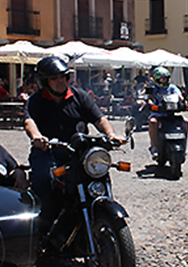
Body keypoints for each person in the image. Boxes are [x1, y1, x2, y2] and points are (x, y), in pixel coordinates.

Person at [23, 56, 126, 226]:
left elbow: (99, 119)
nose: (60, 81)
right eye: (54, 78)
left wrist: (111, 134)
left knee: (98, 174)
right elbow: (29, 122)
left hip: (79, 152)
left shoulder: (80, 96)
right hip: (49, 152)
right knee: (43, 177)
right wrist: (37, 137)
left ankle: (101, 211)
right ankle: (44, 223)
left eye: (63, 76)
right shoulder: (37, 100)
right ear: (44, 81)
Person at [146, 66, 188, 160]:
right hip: (158, 113)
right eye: (162, 78)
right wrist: (150, 103)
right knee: (153, 122)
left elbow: (179, 95)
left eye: (165, 78)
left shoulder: (172, 87)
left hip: (171, 113)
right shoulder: (153, 88)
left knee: (186, 121)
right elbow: (150, 97)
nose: (164, 80)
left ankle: (184, 147)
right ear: (157, 79)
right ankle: (154, 147)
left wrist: (183, 101)